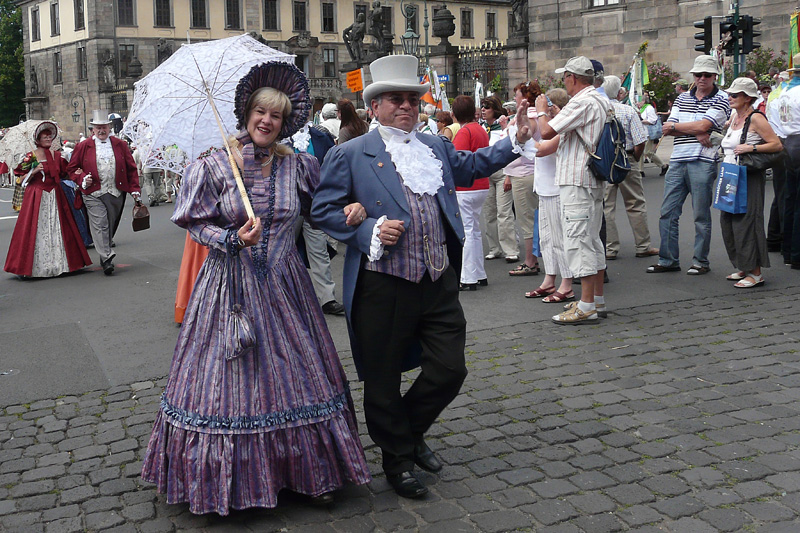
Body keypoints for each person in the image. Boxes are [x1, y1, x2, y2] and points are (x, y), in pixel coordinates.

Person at [141, 61, 372, 515]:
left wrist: (353, 208)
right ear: (247, 114)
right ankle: (227, 482)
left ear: (286, 124)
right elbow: (193, 223)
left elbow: (327, 204)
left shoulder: (300, 166)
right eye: (261, 112)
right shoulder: (213, 165)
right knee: (229, 381)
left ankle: (313, 473)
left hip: (287, 286)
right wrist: (230, 238)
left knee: (300, 375)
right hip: (228, 290)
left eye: (277, 116)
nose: (267, 121)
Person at [311, 54, 535, 499]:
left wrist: (514, 140)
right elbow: (322, 211)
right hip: (382, 283)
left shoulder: (434, 147)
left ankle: (407, 435)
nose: (407, 107)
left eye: (412, 99)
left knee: (450, 369)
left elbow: (471, 167)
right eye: (396, 99)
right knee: (381, 377)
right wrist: (366, 227)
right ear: (374, 107)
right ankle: (397, 461)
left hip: (437, 280)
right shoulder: (350, 153)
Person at [535, 56, 608, 324]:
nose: (563, 82)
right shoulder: (599, 99)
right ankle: (596, 300)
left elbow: (545, 132)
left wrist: (542, 109)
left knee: (578, 241)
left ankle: (586, 305)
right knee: (591, 239)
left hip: (577, 178)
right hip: (590, 177)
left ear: (571, 78)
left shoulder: (582, 101)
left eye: (564, 77)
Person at [648, 55, 730, 276]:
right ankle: (668, 260)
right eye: (698, 74)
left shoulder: (722, 98)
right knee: (667, 212)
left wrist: (686, 127)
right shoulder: (684, 98)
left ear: (715, 76)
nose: (702, 78)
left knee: (700, 215)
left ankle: (700, 261)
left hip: (703, 161)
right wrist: (698, 130)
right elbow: (667, 128)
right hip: (678, 159)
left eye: (707, 75)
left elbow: (700, 125)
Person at [4, 121, 92, 277]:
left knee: (60, 227)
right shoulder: (29, 157)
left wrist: (80, 175)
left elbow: (67, 173)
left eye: (50, 135)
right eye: (45, 136)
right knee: (35, 229)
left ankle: (62, 263)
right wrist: (34, 170)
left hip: (56, 195)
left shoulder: (58, 156)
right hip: (36, 195)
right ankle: (34, 266)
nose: (48, 138)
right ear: (37, 139)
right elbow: (21, 180)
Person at [719, 77, 782, 288]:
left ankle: (755, 273)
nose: (730, 97)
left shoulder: (756, 118)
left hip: (748, 175)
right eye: (730, 94)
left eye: (734, 95)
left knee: (746, 221)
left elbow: (776, 145)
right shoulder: (735, 116)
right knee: (728, 221)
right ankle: (743, 265)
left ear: (747, 98)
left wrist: (751, 148)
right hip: (730, 174)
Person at [66, 110, 142, 275]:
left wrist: (135, 190)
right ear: (93, 129)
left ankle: (104, 251)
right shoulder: (83, 146)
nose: (101, 131)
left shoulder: (120, 145)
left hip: (116, 192)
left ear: (109, 128)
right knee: (100, 224)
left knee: (109, 224)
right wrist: (82, 180)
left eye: (104, 127)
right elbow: (71, 168)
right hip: (93, 193)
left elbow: (131, 169)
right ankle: (107, 257)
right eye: (98, 128)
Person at [602, 75, 659, 261]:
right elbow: (640, 140)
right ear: (619, 93)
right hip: (625, 158)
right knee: (635, 203)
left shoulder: (598, 110)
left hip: (604, 162)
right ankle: (642, 245)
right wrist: (634, 156)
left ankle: (610, 248)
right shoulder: (627, 111)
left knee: (606, 206)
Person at [526, 88, 575, 303]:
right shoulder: (548, 124)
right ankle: (549, 279)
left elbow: (542, 148)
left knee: (561, 239)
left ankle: (567, 284)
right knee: (546, 239)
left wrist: (522, 140)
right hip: (544, 187)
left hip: (558, 189)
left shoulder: (563, 126)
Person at [451, 95, 490, 290]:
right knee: (474, 230)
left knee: (466, 231)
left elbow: (457, 159)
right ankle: (479, 273)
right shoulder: (481, 129)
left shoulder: (464, 131)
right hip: (481, 184)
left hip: (466, 187)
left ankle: (467, 277)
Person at [505, 81, 543, 276]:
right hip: (523, 172)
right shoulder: (533, 116)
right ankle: (532, 259)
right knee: (529, 217)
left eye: (517, 95)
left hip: (524, 172)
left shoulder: (530, 117)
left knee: (527, 219)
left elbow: (526, 138)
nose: (515, 98)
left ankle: (530, 261)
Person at [482, 96, 519, 263]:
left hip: (502, 172)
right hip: (486, 172)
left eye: (487, 107)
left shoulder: (502, 127)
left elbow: (510, 151)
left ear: (494, 110)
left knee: (503, 212)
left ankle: (510, 249)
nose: (483, 110)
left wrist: (509, 175)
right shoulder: (482, 127)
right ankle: (494, 248)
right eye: (482, 107)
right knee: (489, 212)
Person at [775, 55, 800, 269]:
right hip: (798, 141)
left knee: (790, 198)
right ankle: (797, 254)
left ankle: (788, 251)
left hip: (788, 142)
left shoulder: (784, 92)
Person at [638, 93, 669, 176]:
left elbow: (653, 120)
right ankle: (640, 170)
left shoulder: (649, 108)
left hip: (648, 133)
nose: (637, 103)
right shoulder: (640, 109)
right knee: (640, 152)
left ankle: (663, 165)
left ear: (643, 101)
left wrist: (641, 120)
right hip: (641, 133)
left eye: (638, 101)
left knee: (648, 152)